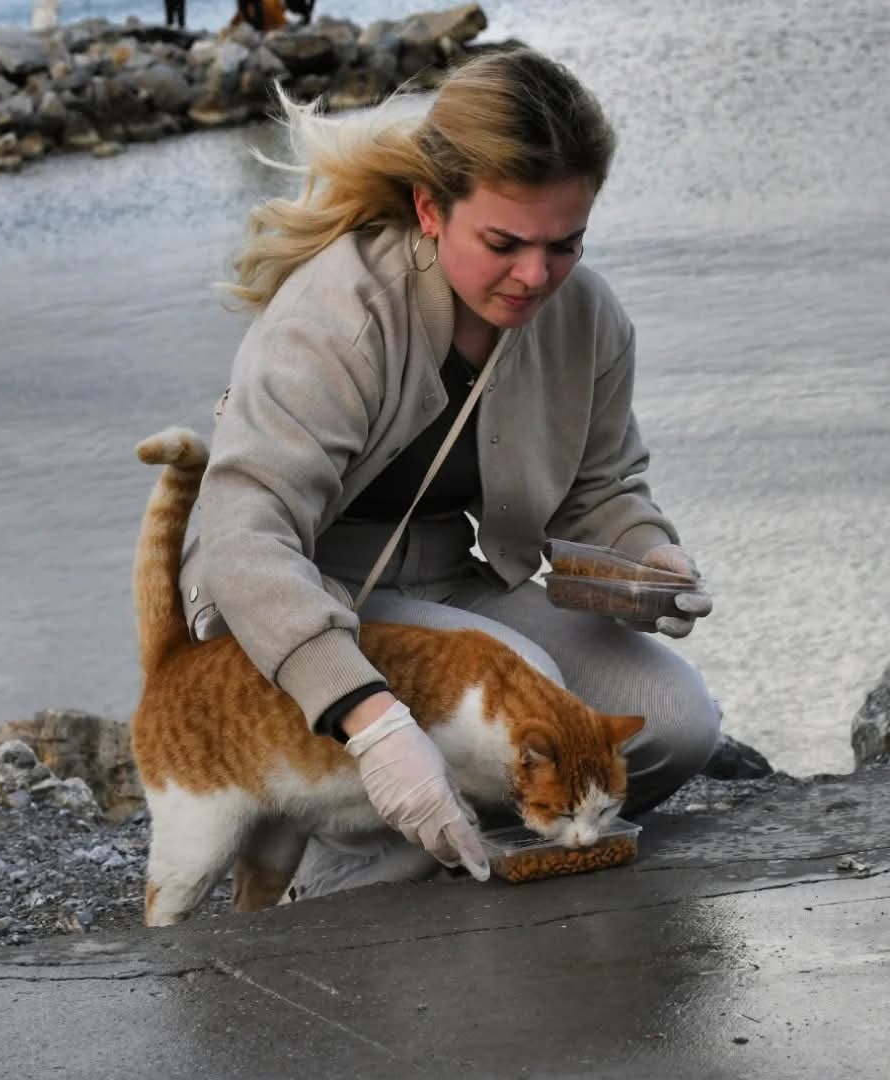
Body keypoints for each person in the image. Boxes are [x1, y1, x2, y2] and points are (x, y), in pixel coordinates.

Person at [179, 48, 719, 899]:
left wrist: (649, 559)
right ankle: (319, 871)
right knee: (509, 698)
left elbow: (603, 487)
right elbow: (244, 538)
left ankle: (448, 828)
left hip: (448, 583)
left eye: (565, 244)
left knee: (680, 724)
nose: (536, 276)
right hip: (282, 605)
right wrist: (368, 715)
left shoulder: (588, 317)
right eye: (503, 243)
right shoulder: (339, 313)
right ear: (431, 209)